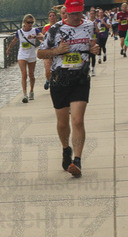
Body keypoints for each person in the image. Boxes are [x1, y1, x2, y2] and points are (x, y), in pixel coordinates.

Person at [38, 0, 100, 178]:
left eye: (78, 12)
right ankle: (66, 148)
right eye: (72, 13)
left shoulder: (89, 25)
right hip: (60, 79)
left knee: (78, 120)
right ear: (66, 12)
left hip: (80, 78)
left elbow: (92, 44)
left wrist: (94, 49)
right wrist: (57, 51)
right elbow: (40, 53)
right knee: (63, 123)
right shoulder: (55, 29)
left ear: (82, 11)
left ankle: (77, 161)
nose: (75, 16)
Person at [7, 14, 43, 102]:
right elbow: (14, 41)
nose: (30, 24)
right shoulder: (19, 32)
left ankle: (31, 91)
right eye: (28, 22)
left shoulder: (35, 30)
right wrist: (9, 48)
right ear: (24, 22)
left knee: (31, 74)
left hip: (31, 55)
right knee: (24, 74)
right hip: (22, 55)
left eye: (31, 22)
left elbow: (43, 36)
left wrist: (34, 37)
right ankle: (24, 94)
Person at [42, 9, 59, 90]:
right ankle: (48, 80)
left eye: (53, 16)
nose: (52, 17)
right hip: (48, 51)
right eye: (50, 16)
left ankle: (55, 84)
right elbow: (42, 38)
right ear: (48, 18)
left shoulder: (59, 26)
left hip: (57, 51)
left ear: (56, 17)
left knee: (57, 69)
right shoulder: (46, 27)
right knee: (47, 70)